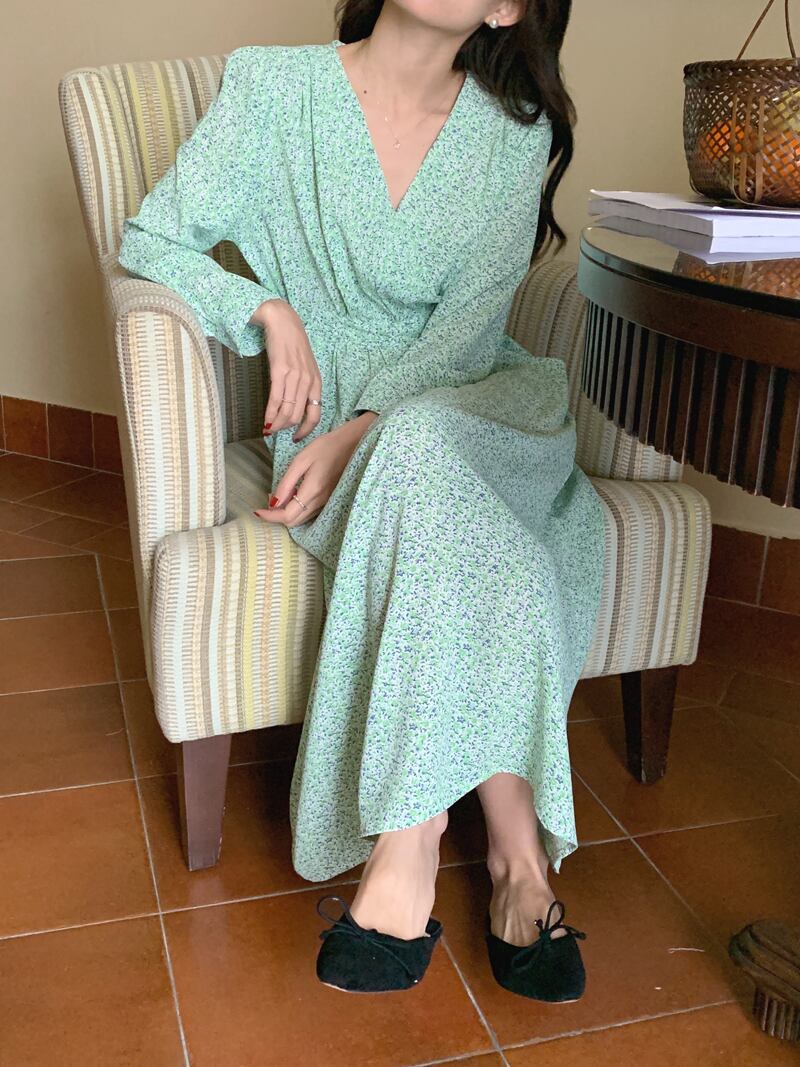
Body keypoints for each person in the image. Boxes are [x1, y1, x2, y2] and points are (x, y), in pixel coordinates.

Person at [117, 0, 606, 998]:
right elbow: (151, 237)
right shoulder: (273, 90)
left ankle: (407, 843)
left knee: (421, 442)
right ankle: (516, 851)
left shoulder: (512, 136)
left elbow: (469, 334)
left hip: (477, 403)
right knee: (487, 533)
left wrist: (360, 432)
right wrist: (263, 307)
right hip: (347, 423)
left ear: (504, 8)